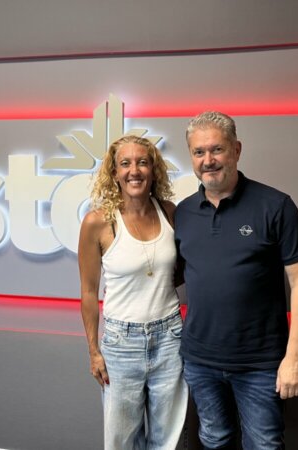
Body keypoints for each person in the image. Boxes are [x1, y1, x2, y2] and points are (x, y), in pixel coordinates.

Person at [174, 112, 298, 450]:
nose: (208, 160)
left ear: (236, 150)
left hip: (261, 363)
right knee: (213, 439)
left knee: (264, 444)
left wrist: (295, 357)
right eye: (198, 152)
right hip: (200, 360)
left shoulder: (276, 206)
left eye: (217, 149)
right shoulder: (183, 213)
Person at [78, 135, 188, 450]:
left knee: (167, 439)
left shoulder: (170, 212)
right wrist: (93, 351)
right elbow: (88, 292)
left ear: (154, 169)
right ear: (114, 173)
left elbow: (180, 270)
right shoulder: (98, 222)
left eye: (142, 162)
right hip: (121, 343)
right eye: (125, 163)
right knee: (122, 441)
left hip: (169, 338)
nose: (134, 170)